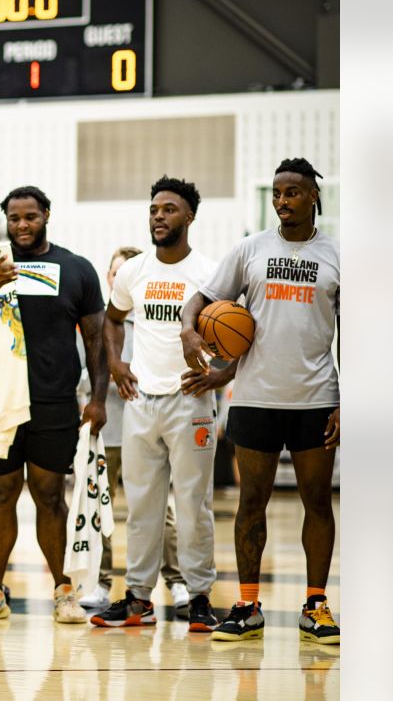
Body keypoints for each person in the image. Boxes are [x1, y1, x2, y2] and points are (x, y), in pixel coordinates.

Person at [181, 158, 341, 645]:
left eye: (292, 192)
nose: (282, 200)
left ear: (314, 196)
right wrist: (189, 330)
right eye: (276, 192)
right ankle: (248, 604)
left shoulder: (338, 255)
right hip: (254, 398)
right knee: (252, 500)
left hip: (316, 397)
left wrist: (350, 399)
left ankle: (316, 603)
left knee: (317, 500)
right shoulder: (250, 249)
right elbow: (202, 299)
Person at [0, 185, 106, 624]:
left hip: (53, 402)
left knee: (50, 496)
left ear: (47, 215)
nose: (22, 225)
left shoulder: (76, 268)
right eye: (14, 218)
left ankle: (63, 592)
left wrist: (97, 398)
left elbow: (95, 340)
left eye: (30, 217)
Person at [88, 176, 225, 632]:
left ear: (189, 217)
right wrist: (116, 362)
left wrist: (220, 373)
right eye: (153, 210)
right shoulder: (134, 271)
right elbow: (111, 320)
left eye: (169, 209)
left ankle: (200, 595)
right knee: (142, 506)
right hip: (142, 401)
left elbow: (242, 333)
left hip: (192, 400)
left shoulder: (210, 272)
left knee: (193, 505)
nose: (159, 216)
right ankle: (138, 599)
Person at [79, 247, 188, 612]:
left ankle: (177, 581)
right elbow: (82, 373)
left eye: (125, 272)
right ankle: (101, 581)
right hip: (107, 428)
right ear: (109, 278)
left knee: (162, 511)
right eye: (114, 272)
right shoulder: (96, 322)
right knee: (100, 507)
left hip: (151, 424)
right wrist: (108, 376)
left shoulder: (154, 320)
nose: (119, 278)